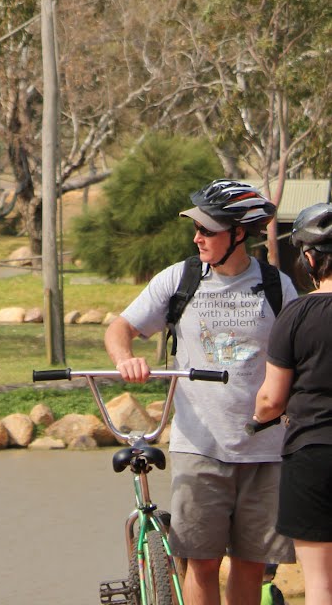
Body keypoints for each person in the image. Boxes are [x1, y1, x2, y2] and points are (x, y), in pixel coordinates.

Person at [104, 179, 297, 605]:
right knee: (201, 562)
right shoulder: (180, 278)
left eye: (208, 230)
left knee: (251, 563)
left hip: (266, 450)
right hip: (199, 446)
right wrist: (125, 358)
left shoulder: (278, 286)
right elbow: (120, 328)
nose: (197, 238)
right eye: (196, 229)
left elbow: (301, 351)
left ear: (239, 234)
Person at [254, 203, 332, 605]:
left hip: (313, 454)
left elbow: (271, 399)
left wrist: (258, 417)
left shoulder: (298, 314)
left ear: (310, 258)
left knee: (321, 583)